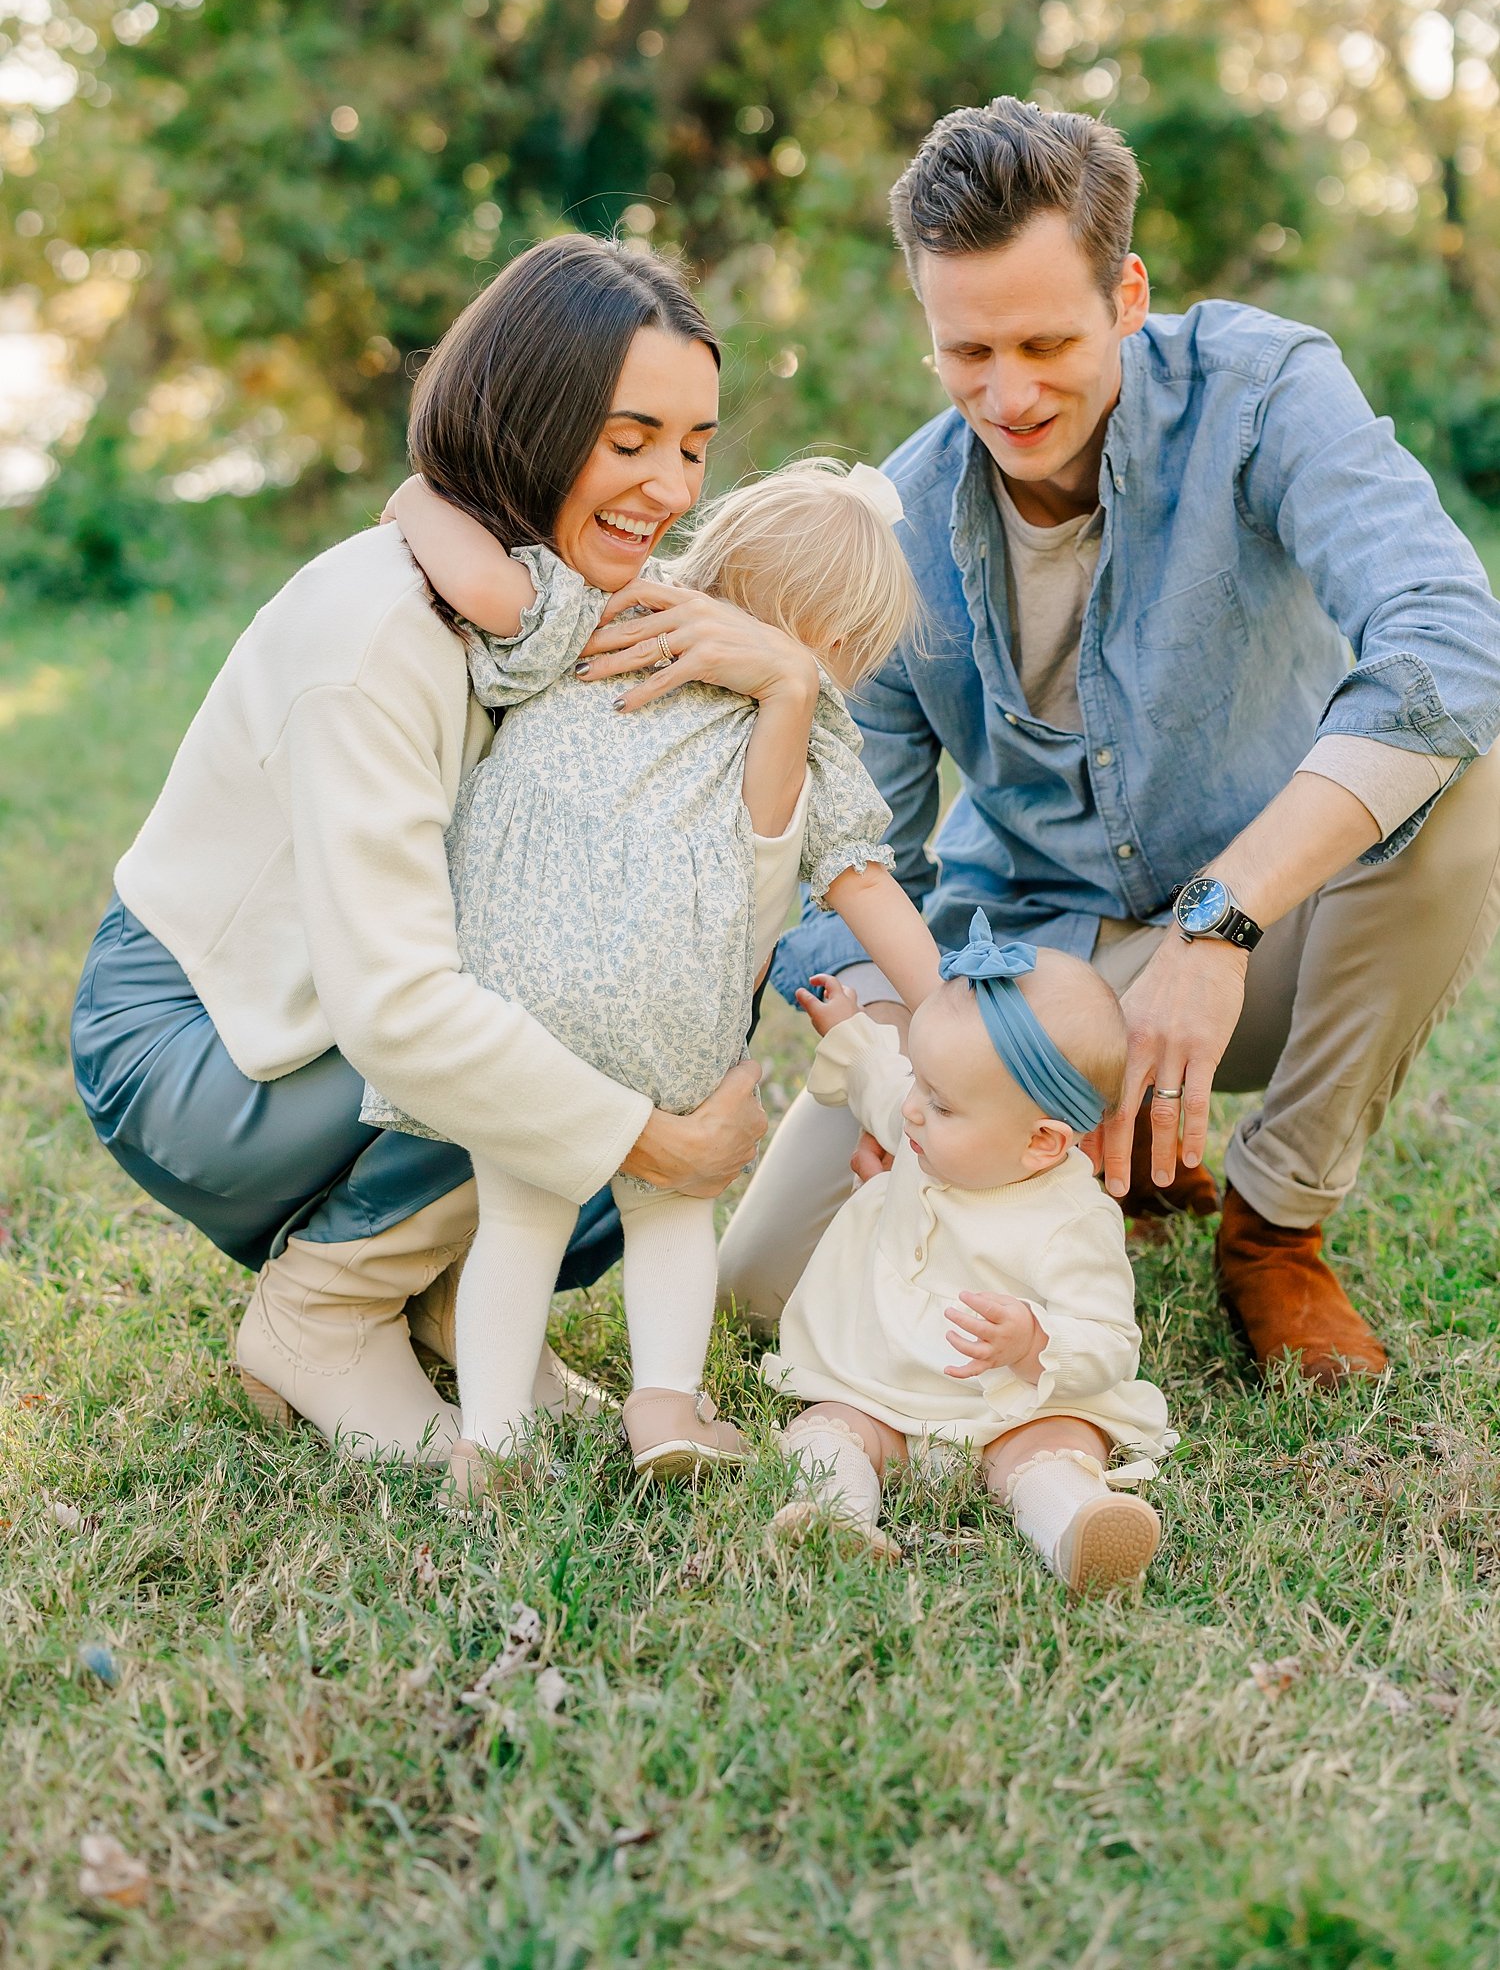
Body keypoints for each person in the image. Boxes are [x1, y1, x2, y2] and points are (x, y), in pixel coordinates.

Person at [720, 96, 1500, 1387]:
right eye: (967, 350)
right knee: (769, 1289)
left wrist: (1218, 922)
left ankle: (1273, 1225)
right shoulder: (896, 522)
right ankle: (1091, 1151)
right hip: (1022, 962)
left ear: (1127, 294)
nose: (1007, 393)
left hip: (1264, 942)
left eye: (1045, 340)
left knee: (1470, 766)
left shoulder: (1263, 392)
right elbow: (860, 849)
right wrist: (907, 1059)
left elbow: (1452, 640)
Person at [69, 236, 820, 1460]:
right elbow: (402, 1010)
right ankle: (323, 1312)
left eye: (692, 447)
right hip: (208, 1039)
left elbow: (699, 912)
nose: (673, 490)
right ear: (526, 422)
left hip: (345, 1018)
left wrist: (785, 681)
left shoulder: (565, 595)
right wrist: (649, 1138)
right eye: (627, 442)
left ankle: (457, 1307)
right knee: (573, 1020)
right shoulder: (371, 639)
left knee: (629, 992)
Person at [365, 460, 941, 1495]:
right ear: (843, 646)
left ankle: (491, 1439)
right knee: (673, 1202)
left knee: (518, 1215)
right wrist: (947, 1009)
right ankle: (666, 1405)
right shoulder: (804, 720)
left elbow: (489, 591)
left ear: (712, 555)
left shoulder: (609, 609)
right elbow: (858, 879)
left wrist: (417, 499)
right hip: (674, 989)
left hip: (512, 961)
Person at [766, 913, 1171, 1592]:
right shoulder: (926, 1122)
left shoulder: (1072, 1220)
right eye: (921, 1082)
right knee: (829, 1424)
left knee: (1058, 1446)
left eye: (942, 1104)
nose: (914, 1111)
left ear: (1041, 1142)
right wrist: (851, 1033)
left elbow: (1110, 1339)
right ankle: (837, 1515)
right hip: (884, 1388)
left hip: (1007, 1414)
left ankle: (1074, 1524)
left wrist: (1036, 1338)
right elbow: (882, 1082)